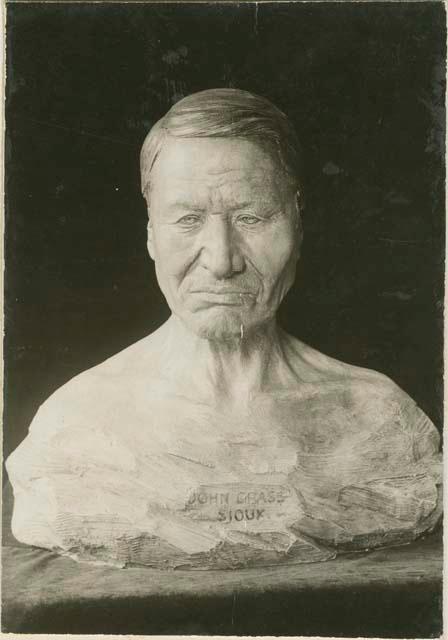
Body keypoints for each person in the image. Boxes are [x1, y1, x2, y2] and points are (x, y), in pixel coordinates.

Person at [6, 88, 442, 569]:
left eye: (251, 218)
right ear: (151, 235)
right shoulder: (75, 427)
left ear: (299, 225)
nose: (222, 259)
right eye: (188, 220)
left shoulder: (379, 420)